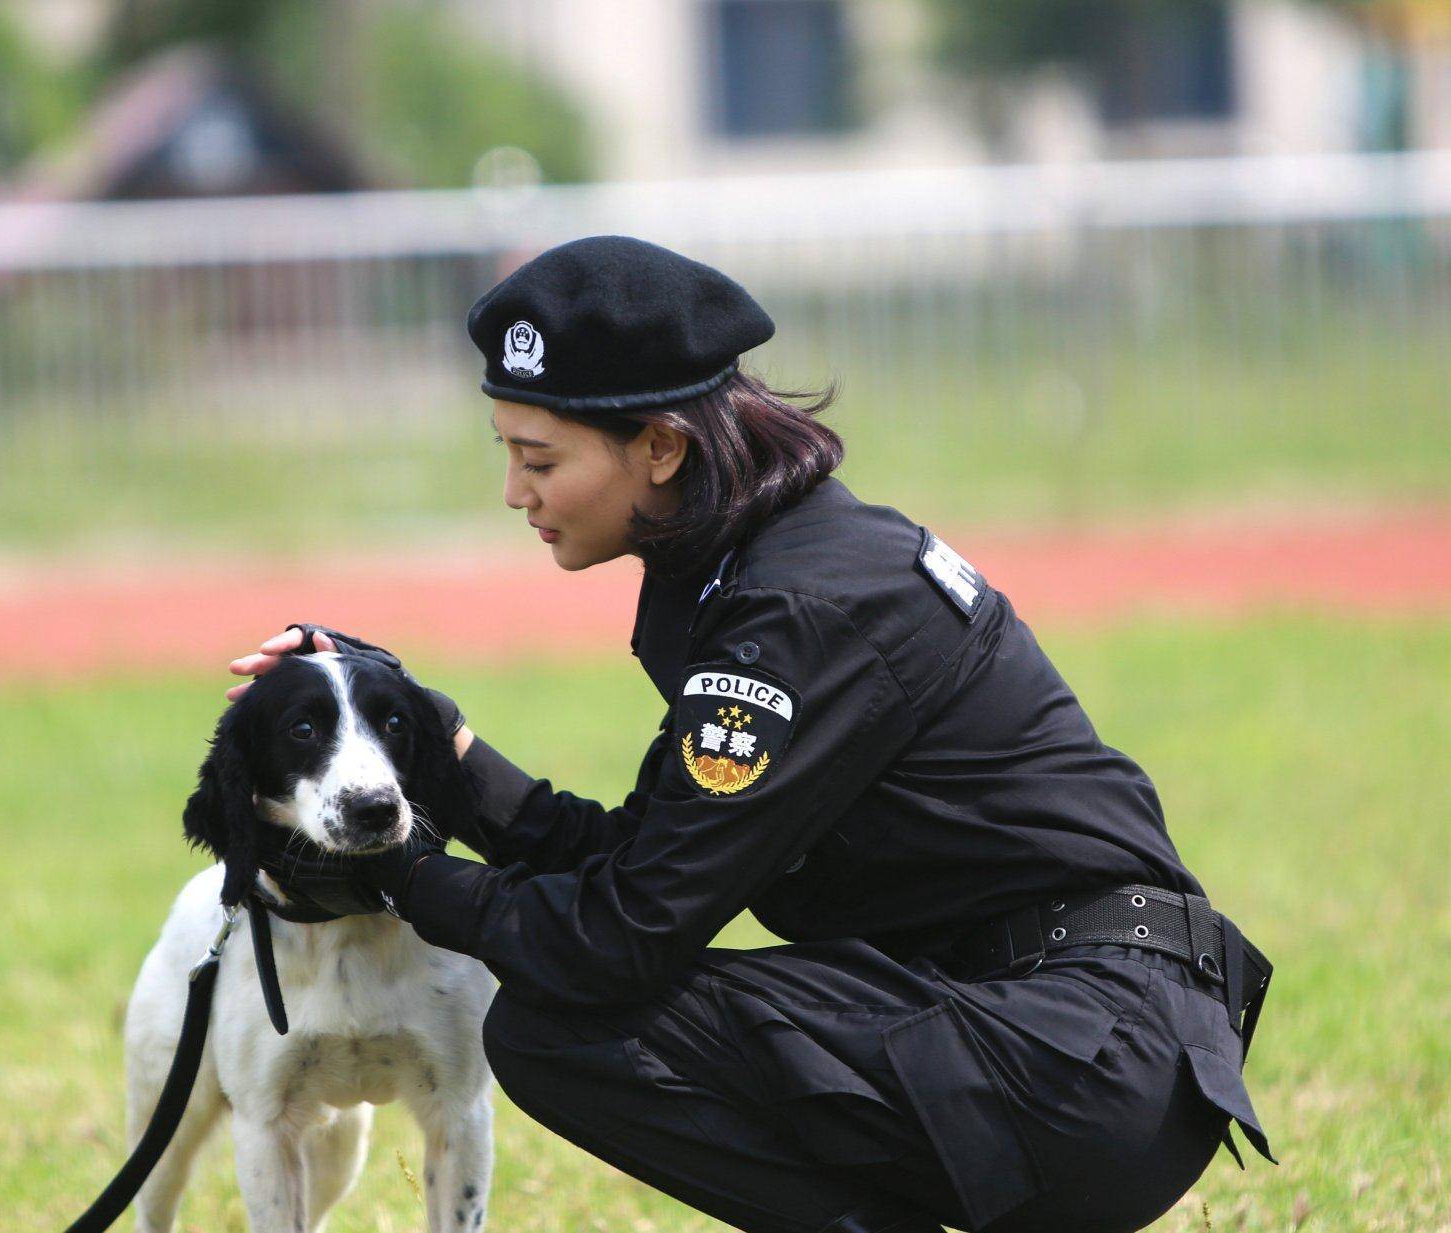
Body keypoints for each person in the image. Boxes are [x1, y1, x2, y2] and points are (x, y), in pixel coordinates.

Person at [225, 235, 1276, 1233]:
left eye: (538, 458)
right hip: (1061, 1034)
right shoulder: (761, 567)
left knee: (559, 1025)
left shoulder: (795, 616)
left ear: (662, 447)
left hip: (1081, 1064)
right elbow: (641, 867)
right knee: (573, 1001)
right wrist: (422, 731)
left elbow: (619, 938)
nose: (514, 493)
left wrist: (402, 872)